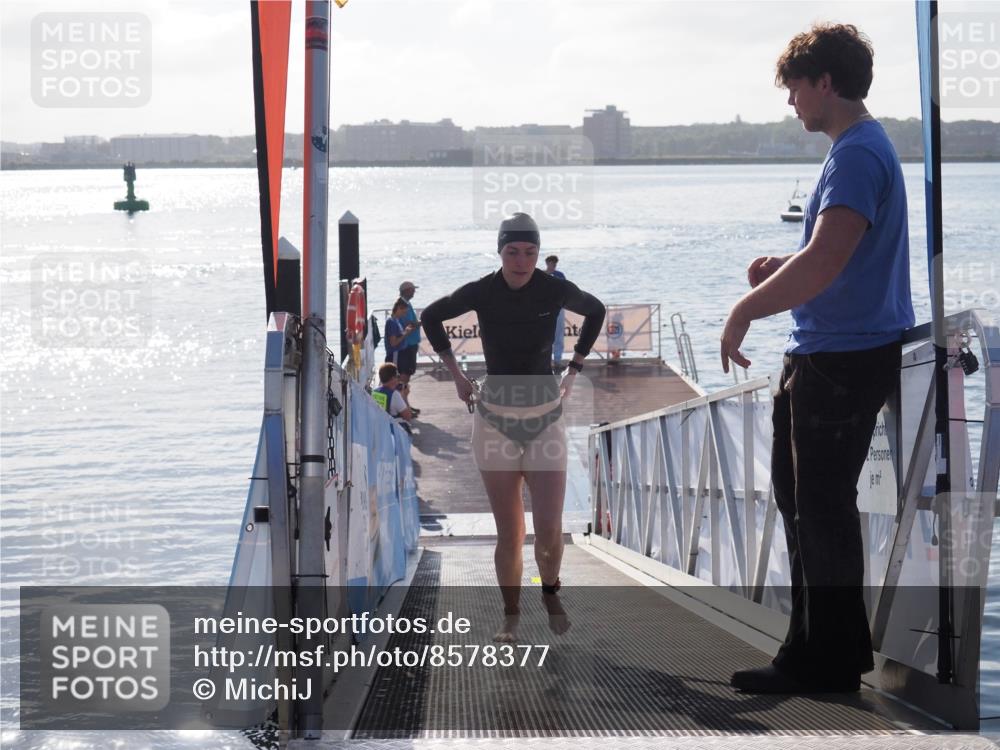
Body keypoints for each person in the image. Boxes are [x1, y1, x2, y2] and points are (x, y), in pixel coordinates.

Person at [720, 23, 914, 694]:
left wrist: (746, 310)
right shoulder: (857, 149)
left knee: (821, 509)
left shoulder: (858, 154)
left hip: (842, 359)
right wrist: (784, 266)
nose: (792, 101)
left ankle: (824, 661)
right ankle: (816, 650)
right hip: (831, 352)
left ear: (825, 83)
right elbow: (834, 252)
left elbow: (829, 259)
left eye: (796, 88)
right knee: (805, 506)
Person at [420, 213, 605, 641]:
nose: (521, 261)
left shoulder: (553, 288)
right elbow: (431, 316)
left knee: (548, 530)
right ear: (500, 252)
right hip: (495, 419)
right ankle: (511, 615)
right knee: (510, 532)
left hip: (543, 416)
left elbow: (594, 311)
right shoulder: (482, 290)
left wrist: (574, 369)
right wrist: (456, 374)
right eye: (512, 252)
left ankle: (551, 590)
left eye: (530, 252)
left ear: (539, 254)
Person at [397, 281, 422, 415]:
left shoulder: (405, 303)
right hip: (407, 346)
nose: (414, 292)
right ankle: (403, 407)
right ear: (406, 290)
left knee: (406, 377)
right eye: (412, 290)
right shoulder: (402, 305)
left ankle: (406, 405)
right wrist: (420, 322)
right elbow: (408, 325)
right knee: (404, 377)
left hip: (410, 345)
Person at [372, 362, 414, 433]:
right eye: (397, 376)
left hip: (379, 431)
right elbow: (408, 417)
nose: (398, 379)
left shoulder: (374, 392)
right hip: (392, 433)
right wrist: (404, 397)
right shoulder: (394, 395)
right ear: (392, 378)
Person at [545, 255, 566, 368]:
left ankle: (557, 360)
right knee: (546, 336)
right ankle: (545, 361)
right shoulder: (541, 275)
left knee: (558, 335)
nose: (553, 265)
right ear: (547, 263)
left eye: (555, 263)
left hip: (559, 308)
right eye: (551, 263)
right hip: (545, 310)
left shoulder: (560, 275)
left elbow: (565, 291)